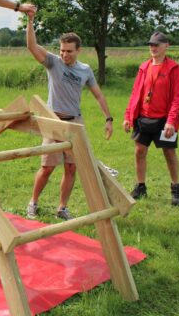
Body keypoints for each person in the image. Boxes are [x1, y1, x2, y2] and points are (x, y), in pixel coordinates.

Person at [24, 14, 114, 220]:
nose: (64, 55)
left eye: (69, 51)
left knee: (72, 167)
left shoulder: (85, 70)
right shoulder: (53, 63)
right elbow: (32, 46)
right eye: (62, 50)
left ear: (78, 50)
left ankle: (62, 208)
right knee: (47, 167)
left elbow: (99, 95)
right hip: (53, 122)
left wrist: (108, 119)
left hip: (74, 122)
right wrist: (30, 21)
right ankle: (33, 202)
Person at [122, 31, 179, 205]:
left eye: (157, 45)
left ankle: (176, 189)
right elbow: (135, 93)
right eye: (151, 45)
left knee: (169, 153)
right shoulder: (144, 67)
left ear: (166, 46)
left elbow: (177, 97)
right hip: (143, 118)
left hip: (164, 120)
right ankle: (140, 187)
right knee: (139, 152)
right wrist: (128, 116)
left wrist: (171, 121)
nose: (153, 48)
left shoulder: (173, 68)